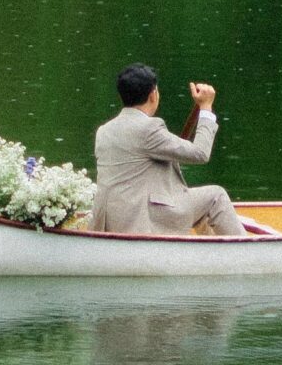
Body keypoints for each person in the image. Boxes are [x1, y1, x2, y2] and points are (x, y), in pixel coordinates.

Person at [90, 64, 246, 239]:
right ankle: (245, 248)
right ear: (153, 95)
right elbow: (201, 153)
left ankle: (210, 247)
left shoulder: (104, 131)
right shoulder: (149, 128)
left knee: (194, 203)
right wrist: (206, 108)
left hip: (111, 222)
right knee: (216, 196)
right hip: (144, 220)